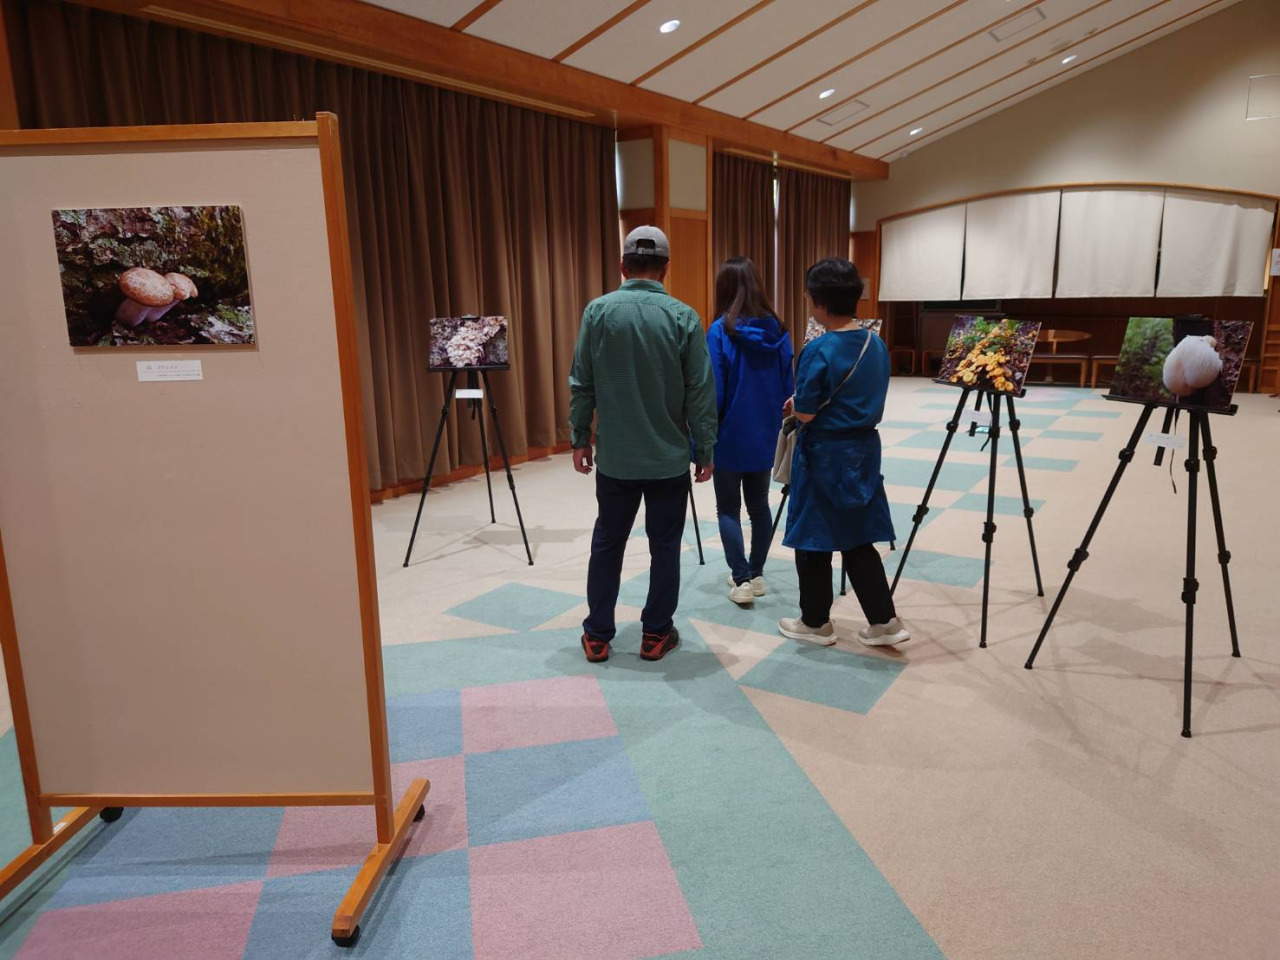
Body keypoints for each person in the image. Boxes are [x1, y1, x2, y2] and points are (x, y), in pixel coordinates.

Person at [569, 226, 717, 664]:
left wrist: (580, 437)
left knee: (607, 543)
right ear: (666, 269)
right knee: (665, 546)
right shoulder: (683, 317)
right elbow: (700, 391)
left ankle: (597, 634)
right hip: (668, 459)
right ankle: (655, 634)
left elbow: (582, 382)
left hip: (616, 457)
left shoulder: (597, 312)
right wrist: (705, 449)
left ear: (622, 266)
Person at [778, 258, 909, 648]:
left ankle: (816, 622)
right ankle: (884, 622)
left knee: (813, 537)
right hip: (864, 450)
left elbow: (806, 412)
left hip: (824, 453)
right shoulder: (876, 342)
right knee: (857, 535)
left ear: (817, 302)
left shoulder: (818, 348)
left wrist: (796, 405)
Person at [706, 257, 793, 606]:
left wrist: (704, 437)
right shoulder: (780, 330)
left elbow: (715, 391)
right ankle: (756, 574)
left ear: (724, 288)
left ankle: (740, 578)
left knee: (727, 509)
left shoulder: (719, 331)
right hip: (765, 432)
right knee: (759, 505)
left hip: (729, 433)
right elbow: (789, 388)